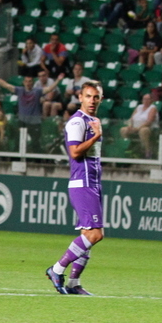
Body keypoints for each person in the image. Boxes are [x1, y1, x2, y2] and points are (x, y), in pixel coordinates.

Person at [44, 80, 104, 296]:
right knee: (95, 234)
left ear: (101, 99)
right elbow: (75, 152)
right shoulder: (77, 122)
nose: (92, 100)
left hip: (93, 183)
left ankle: (73, 283)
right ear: (80, 98)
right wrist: (96, 136)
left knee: (89, 234)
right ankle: (57, 269)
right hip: (83, 183)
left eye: (96, 97)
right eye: (88, 96)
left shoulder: (93, 120)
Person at [122, 92, 158, 157]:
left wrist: (138, 128)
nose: (145, 101)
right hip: (135, 127)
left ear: (151, 100)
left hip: (147, 127)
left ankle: (147, 151)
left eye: (148, 99)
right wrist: (130, 126)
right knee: (123, 130)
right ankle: (128, 147)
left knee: (143, 131)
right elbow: (132, 118)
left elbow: (149, 121)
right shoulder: (139, 107)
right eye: (144, 99)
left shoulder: (153, 108)